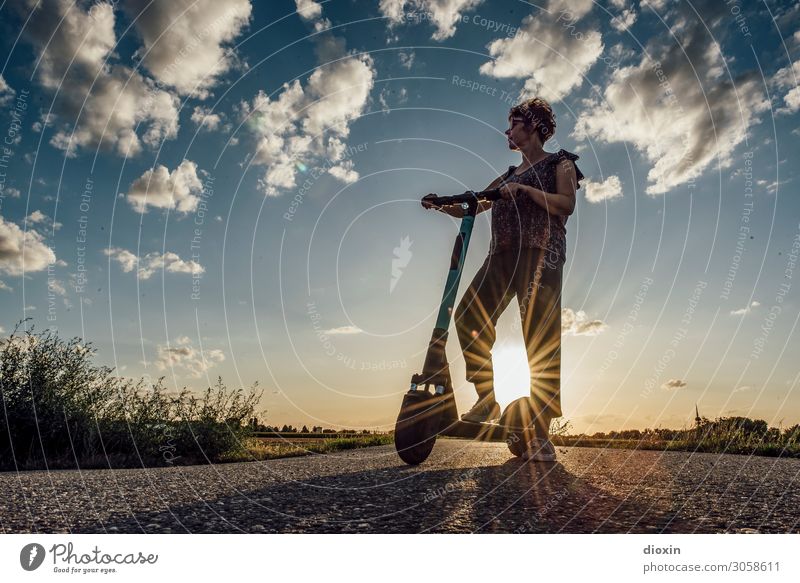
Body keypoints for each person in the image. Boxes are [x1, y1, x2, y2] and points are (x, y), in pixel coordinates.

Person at [422, 97, 585, 461]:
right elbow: (477, 203)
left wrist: (526, 192)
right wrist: (442, 204)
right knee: (468, 316)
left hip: (541, 256)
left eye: (513, 124)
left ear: (533, 128)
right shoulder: (508, 175)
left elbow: (565, 205)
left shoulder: (561, 163)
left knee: (540, 338)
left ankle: (540, 431)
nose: (507, 131)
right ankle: (486, 398)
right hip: (501, 256)